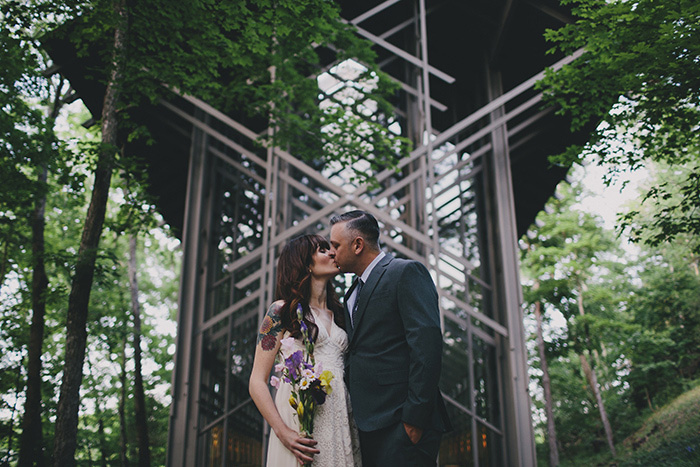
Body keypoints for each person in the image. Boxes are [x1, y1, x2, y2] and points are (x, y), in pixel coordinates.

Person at [329, 210, 451, 467]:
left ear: (358, 244)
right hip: (367, 425)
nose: (332, 253)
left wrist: (413, 419)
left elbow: (426, 347)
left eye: (336, 245)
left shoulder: (405, 272)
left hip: (402, 423)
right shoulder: (352, 292)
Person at [249, 234, 362, 467]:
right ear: (305, 264)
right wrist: (284, 433)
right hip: (300, 420)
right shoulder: (281, 311)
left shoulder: (341, 315)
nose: (332, 252)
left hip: (341, 416)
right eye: (322, 250)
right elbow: (257, 382)